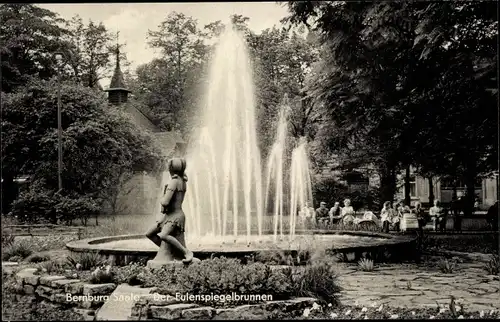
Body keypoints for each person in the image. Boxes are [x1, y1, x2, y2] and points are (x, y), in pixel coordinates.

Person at [146, 158, 193, 264]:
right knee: (149, 233)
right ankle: (172, 251)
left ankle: (186, 252)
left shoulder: (174, 182)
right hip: (169, 215)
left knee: (163, 235)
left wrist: (162, 197)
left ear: (171, 169)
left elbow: (165, 202)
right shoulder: (182, 181)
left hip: (175, 216)